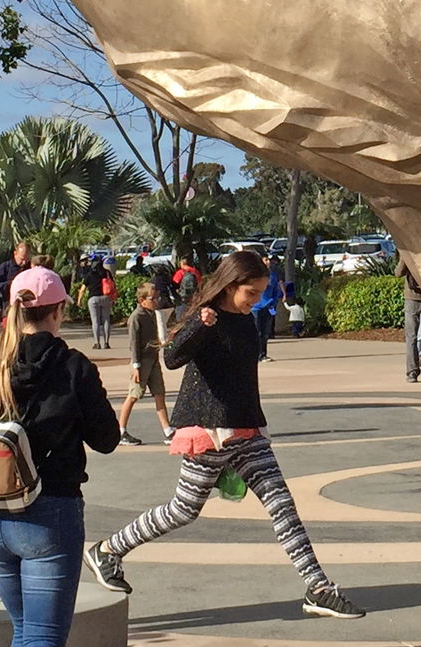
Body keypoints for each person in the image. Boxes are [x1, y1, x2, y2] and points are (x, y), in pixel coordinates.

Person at [83, 251, 365, 620]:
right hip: (208, 430)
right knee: (183, 510)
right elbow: (172, 359)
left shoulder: (246, 322)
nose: (256, 300)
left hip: (246, 430)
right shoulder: (207, 316)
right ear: (231, 286)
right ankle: (108, 550)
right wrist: (201, 325)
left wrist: (257, 423)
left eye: (260, 293)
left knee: (282, 505)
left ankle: (319, 588)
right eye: (251, 292)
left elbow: (244, 378)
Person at [0, 266, 120, 647]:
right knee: (42, 637)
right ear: (58, 311)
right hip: (50, 512)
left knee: (26, 631)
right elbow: (107, 439)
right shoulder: (72, 366)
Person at [117, 282, 175, 445]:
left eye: (157, 297)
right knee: (133, 395)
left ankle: (168, 431)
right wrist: (136, 366)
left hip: (153, 359)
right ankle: (121, 431)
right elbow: (134, 344)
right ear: (142, 300)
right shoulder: (136, 317)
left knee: (159, 393)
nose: (156, 301)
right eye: (152, 298)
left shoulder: (152, 314)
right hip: (141, 362)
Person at [76, 256, 115, 351]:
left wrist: (79, 301)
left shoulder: (89, 274)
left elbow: (82, 289)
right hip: (106, 298)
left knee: (95, 321)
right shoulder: (107, 273)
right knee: (106, 320)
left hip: (93, 299)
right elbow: (113, 285)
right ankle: (106, 343)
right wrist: (113, 299)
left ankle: (97, 343)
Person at [0, 242, 33, 320]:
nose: (24, 263)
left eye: (27, 259)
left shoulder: (31, 267)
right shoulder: (6, 267)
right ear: (15, 253)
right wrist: (8, 284)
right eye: (22, 259)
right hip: (10, 305)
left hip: (29, 307)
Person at [250, 264, 284, 361]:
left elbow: (276, 290)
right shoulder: (254, 275)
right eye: (265, 260)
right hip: (256, 308)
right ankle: (255, 355)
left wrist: (273, 303)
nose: (267, 262)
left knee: (265, 332)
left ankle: (263, 354)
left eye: (268, 260)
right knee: (257, 332)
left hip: (269, 307)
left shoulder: (272, 275)